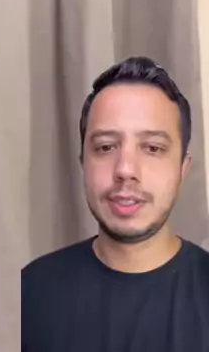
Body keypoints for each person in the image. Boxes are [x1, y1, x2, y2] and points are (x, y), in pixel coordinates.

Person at [21, 56, 209, 352]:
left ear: (182, 170)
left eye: (153, 148)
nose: (125, 169)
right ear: (83, 163)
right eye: (106, 147)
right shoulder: (30, 292)